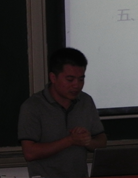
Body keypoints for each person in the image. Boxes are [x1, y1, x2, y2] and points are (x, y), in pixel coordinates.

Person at [18, 48, 107, 178]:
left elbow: (102, 141)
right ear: (53, 77)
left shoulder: (86, 101)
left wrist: (87, 141)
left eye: (81, 79)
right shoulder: (32, 107)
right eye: (70, 79)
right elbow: (30, 153)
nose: (76, 85)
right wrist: (70, 140)